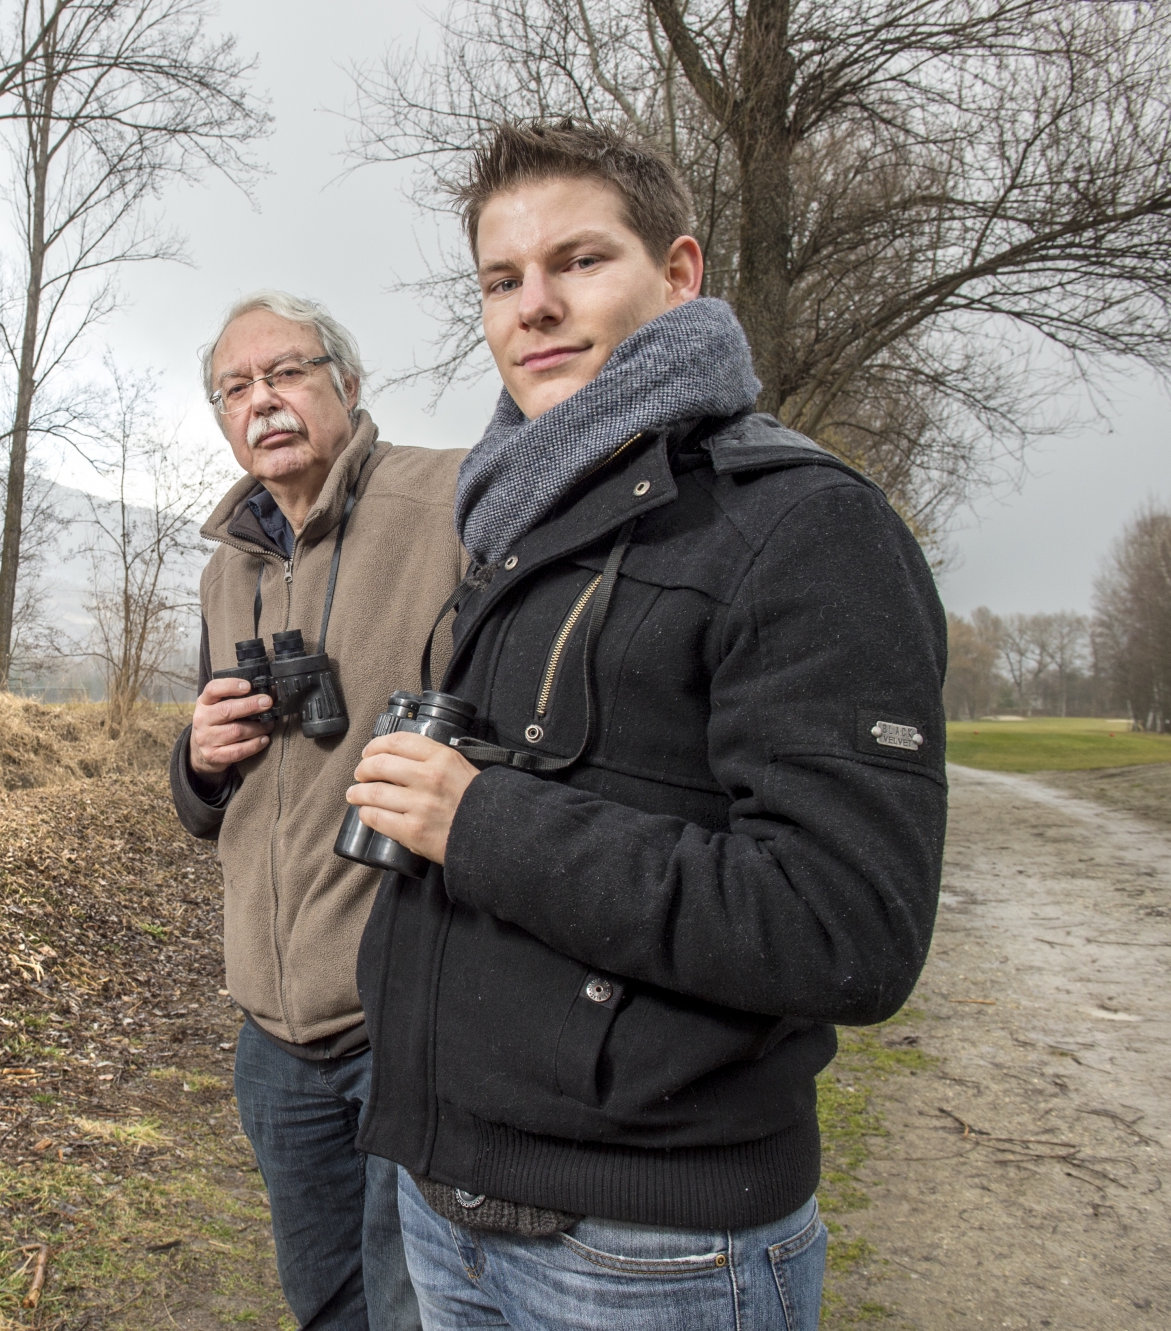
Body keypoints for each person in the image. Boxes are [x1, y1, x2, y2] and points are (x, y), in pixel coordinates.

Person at [343, 120, 947, 1329]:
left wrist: (483, 820)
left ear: (677, 275)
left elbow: (847, 927)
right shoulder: (516, 514)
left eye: (577, 261)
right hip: (443, 1201)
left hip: (646, 1252)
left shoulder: (803, 526)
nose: (534, 306)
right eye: (501, 280)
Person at [168, 291, 465, 1331]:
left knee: (413, 1304)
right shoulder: (225, 567)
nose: (264, 402)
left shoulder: (454, 501)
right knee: (324, 1302)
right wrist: (196, 762)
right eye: (235, 387)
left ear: (347, 381)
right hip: (270, 1027)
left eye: (287, 372)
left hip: (409, 1015)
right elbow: (213, 795)